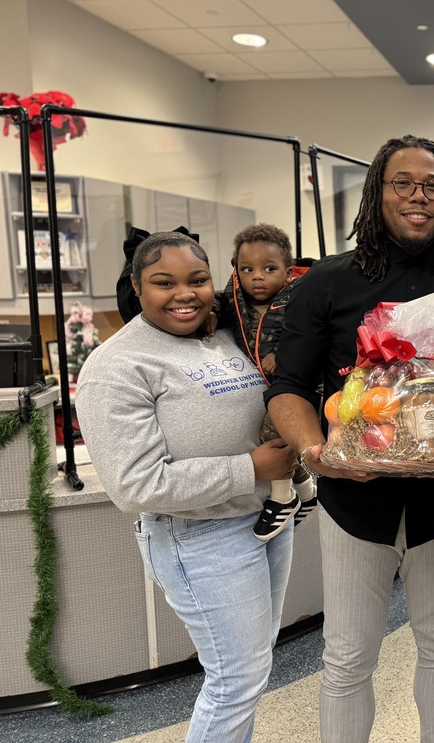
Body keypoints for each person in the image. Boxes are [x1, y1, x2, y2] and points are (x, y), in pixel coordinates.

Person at [266, 134, 434, 743]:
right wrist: (316, 454)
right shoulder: (326, 283)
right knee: (348, 657)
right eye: (402, 183)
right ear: (377, 192)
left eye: (432, 185)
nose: (417, 196)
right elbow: (288, 388)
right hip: (352, 499)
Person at [75, 231, 297, 742]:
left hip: (265, 520)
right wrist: (250, 468)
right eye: (163, 283)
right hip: (200, 536)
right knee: (235, 680)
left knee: (252, 667)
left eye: (197, 280)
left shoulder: (221, 334)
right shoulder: (116, 367)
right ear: (136, 286)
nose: (184, 294)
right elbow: (135, 485)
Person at [216, 222, 317, 540]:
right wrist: (211, 313)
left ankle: (282, 498)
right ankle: (307, 492)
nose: (256, 277)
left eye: (268, 269)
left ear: (287, 272)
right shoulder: (235, 300)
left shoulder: (300, 298)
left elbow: (316, 337)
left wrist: (285, 355)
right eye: (247, 269)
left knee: (273, 435)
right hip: (262, 386)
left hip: (298, 387)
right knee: (278, 440)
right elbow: (215, 304)